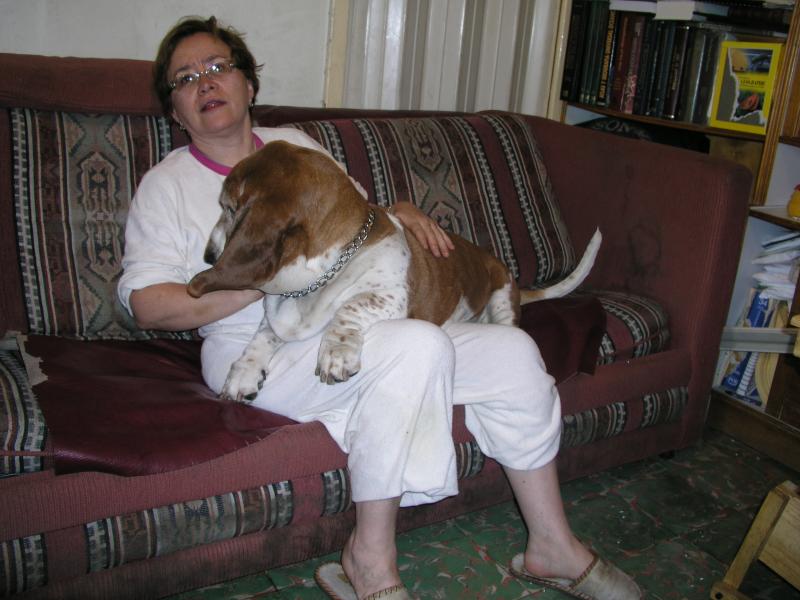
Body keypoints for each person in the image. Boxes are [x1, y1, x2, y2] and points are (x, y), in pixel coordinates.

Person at [118, 16, 642, 600]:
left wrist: (398, 211)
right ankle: (368, 560)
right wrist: (257, 278)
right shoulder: (165, 187)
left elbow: (357, 230)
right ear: (175, 110)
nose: (205, 82)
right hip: (255, 351)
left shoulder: (297, 147)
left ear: (249, 83)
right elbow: (147, 307)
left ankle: (552, 545)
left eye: (219, 67)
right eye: (185, 78)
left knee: (514, 352)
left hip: (351, 321)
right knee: (415, 344)